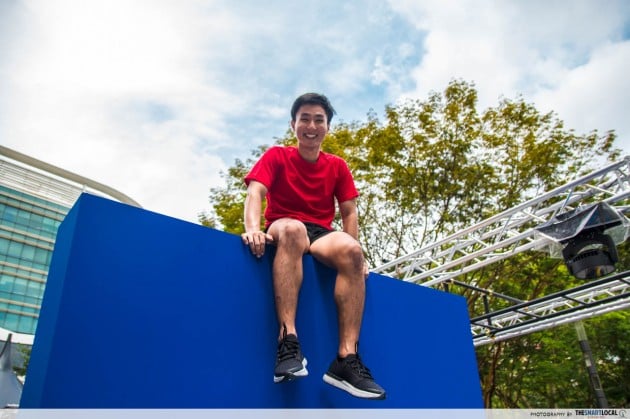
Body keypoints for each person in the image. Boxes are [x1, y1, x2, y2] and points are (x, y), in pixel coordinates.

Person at [241, 92, 386, 400]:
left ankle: (346, 359)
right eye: (304, 119)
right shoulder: (277, 156)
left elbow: (348, 211)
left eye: (318, 120)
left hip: (321, 233)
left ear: (327, 127)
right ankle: (288, 342)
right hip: (284, 225)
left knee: (352, 251)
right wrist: (253, 229)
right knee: (293, 230)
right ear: (293, 124)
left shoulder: (337, 166)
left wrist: (358, 258)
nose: (311, 126)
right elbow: (255, 191)